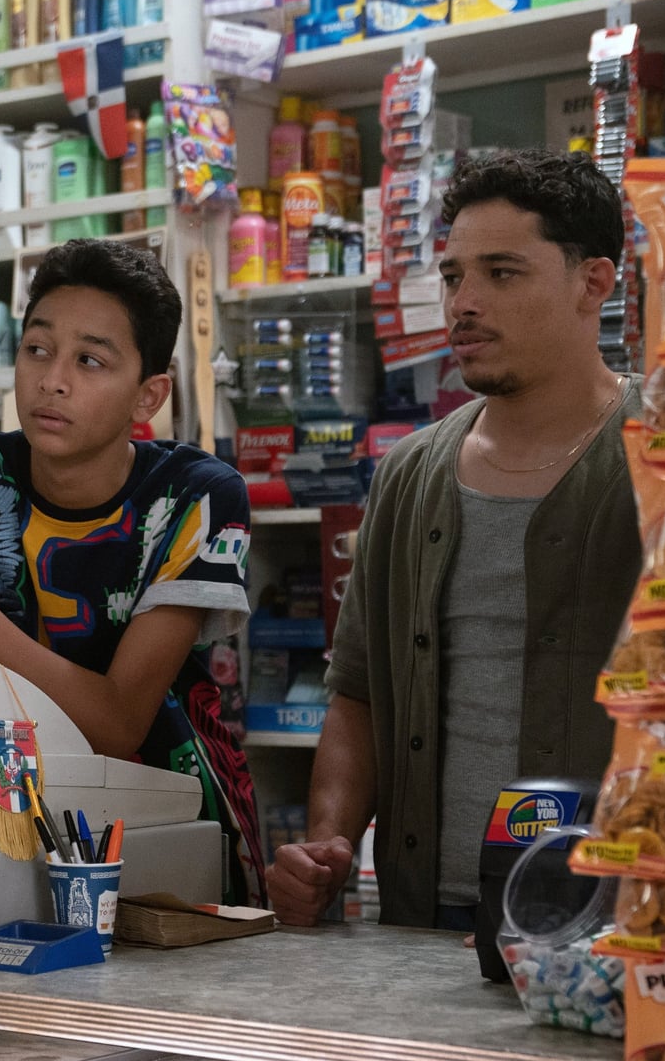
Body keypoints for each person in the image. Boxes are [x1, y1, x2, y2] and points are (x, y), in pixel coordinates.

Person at [266, 150, 641, 933]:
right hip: (421, 914)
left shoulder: (662, 460)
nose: (464, 303)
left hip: (609, 923)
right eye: (452, 276)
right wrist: (327, 844)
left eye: (502, 273)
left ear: (594, 282)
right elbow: (358, 696)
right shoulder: (408, 476)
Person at [0, 239, 263, 901]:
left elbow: (122, 721)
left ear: (148, 394)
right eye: (38, 349)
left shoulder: (194, 497)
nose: (53, 379)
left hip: (161, 827)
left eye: (90, 360)